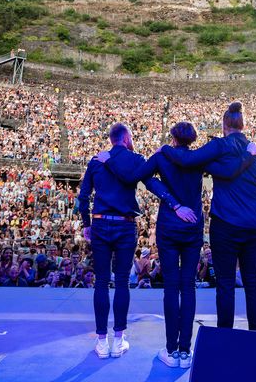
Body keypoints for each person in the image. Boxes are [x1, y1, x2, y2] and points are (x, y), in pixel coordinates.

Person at [95, 120, 256, 367]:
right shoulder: (199, 159)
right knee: (188, 287)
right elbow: (227, 172)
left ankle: (171, 351)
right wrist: (247, 156)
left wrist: (109, 159)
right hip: (193, 226)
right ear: (192, 139)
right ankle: (185, 351)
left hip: (169, 227)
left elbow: (132, 177)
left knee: (171, 287)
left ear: (172, 138)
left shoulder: (162, 157)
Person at [79, 122, 194, 360]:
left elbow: (83, 196)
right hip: (124, 224)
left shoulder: (96, 160)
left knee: (101, 282)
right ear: (126, 138)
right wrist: (175, 203)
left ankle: (102, 342)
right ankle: (118, 340)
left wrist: (86, 224)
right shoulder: (136, 159)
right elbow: (149, 181)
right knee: (121, 281)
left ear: (111, 139)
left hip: (100, 222)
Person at [158, 102, 256, 332]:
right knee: (253, 283)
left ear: (224, 125)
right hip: (254, 226)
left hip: (225, 225)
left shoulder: (218, 146)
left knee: (225, 284)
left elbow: (187, 160)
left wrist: (165, 149)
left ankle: (224, 338)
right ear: (243, 125)